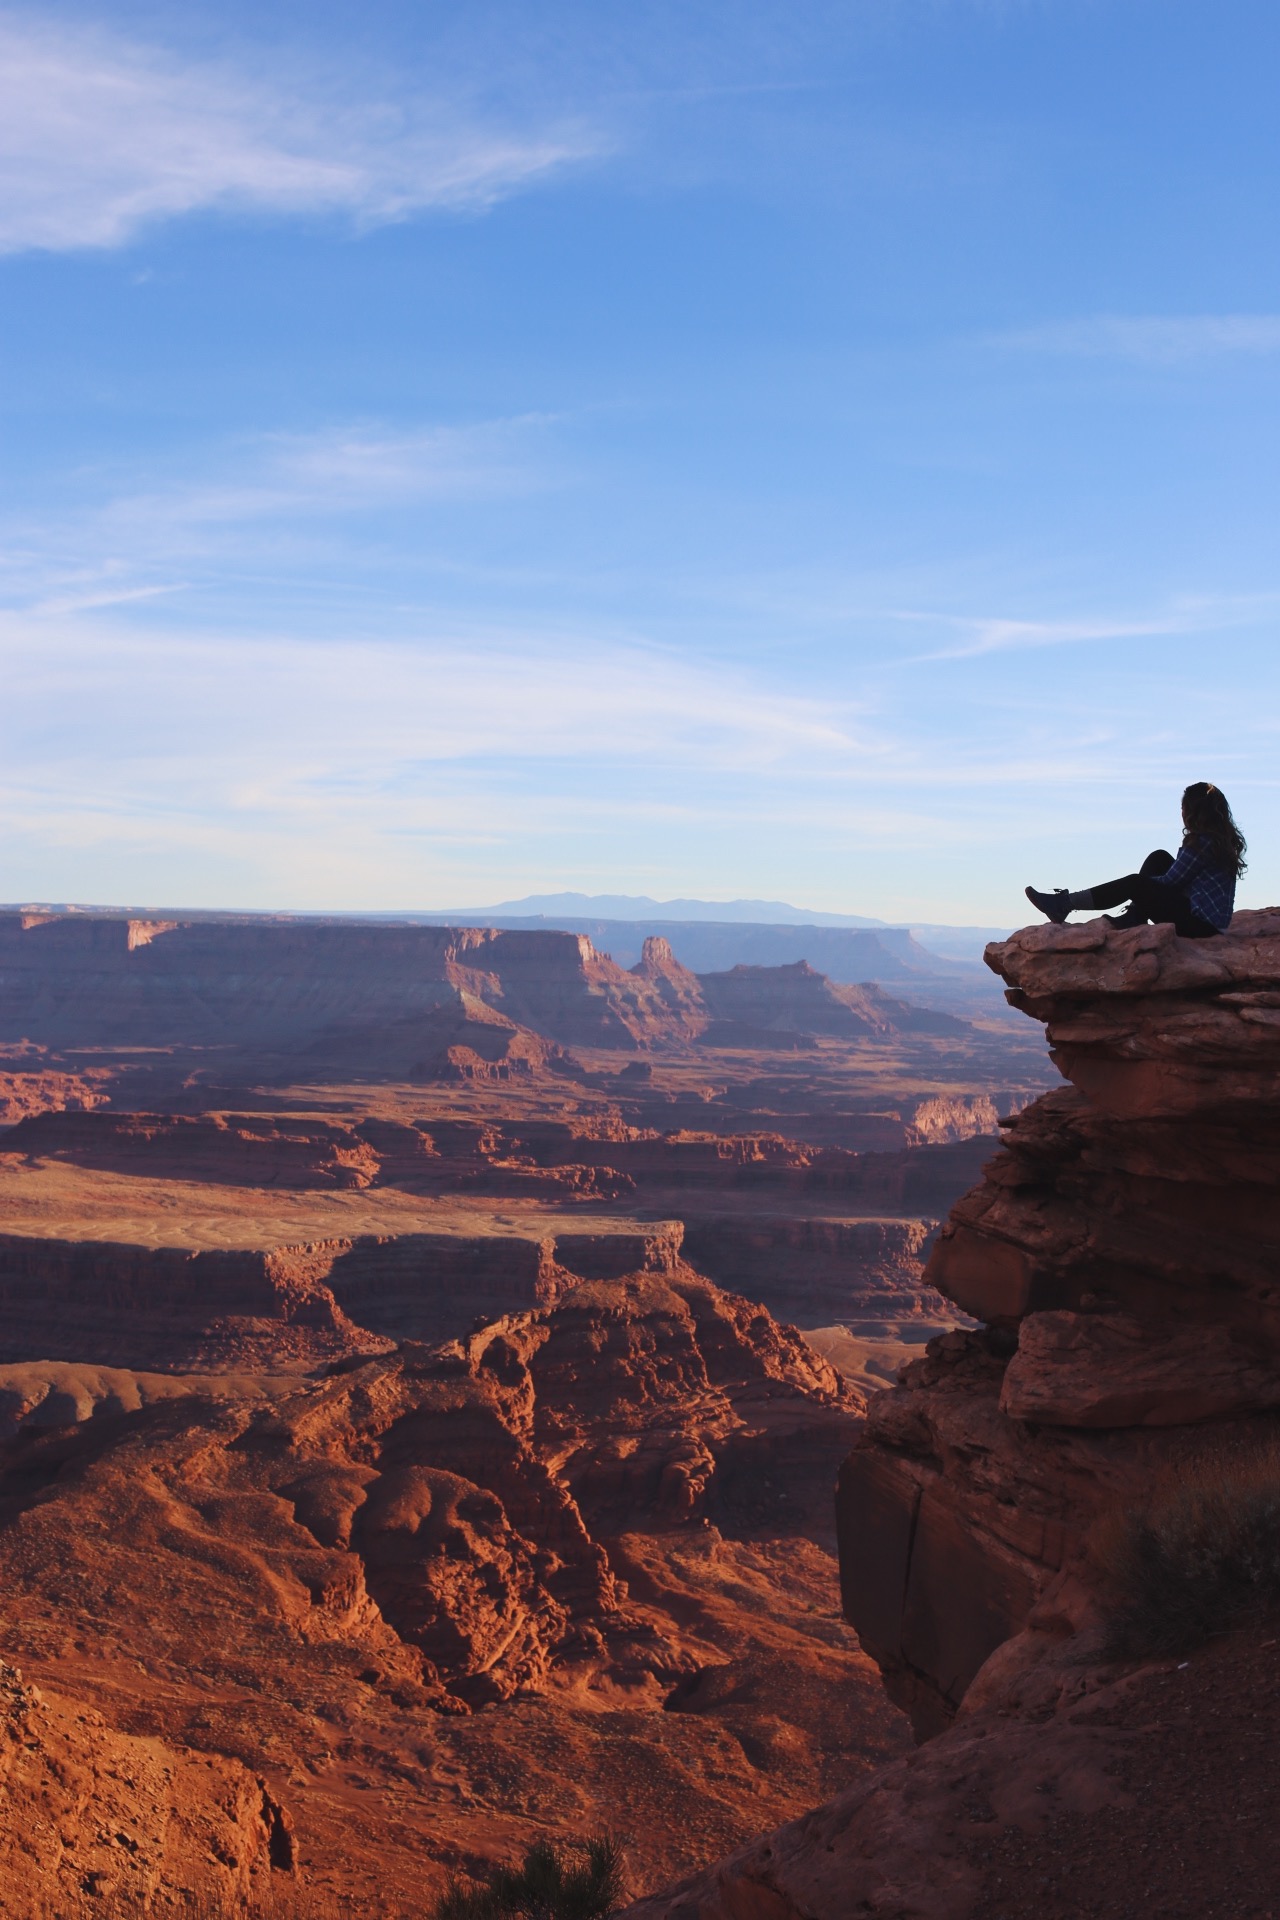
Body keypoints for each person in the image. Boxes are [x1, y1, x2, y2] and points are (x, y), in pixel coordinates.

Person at [1025, 782, 1246, 938]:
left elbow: (1170, 882)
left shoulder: (1201, 843)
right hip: (1210, 924)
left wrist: (1137, 888)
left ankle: (1064, 904)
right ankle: (1134, 917)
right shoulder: (1219, 842)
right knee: (1158, 858)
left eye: (1183, 808)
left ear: (1193, 812)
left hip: (1200, 927)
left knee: (1135, 883)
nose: (1181, 813)